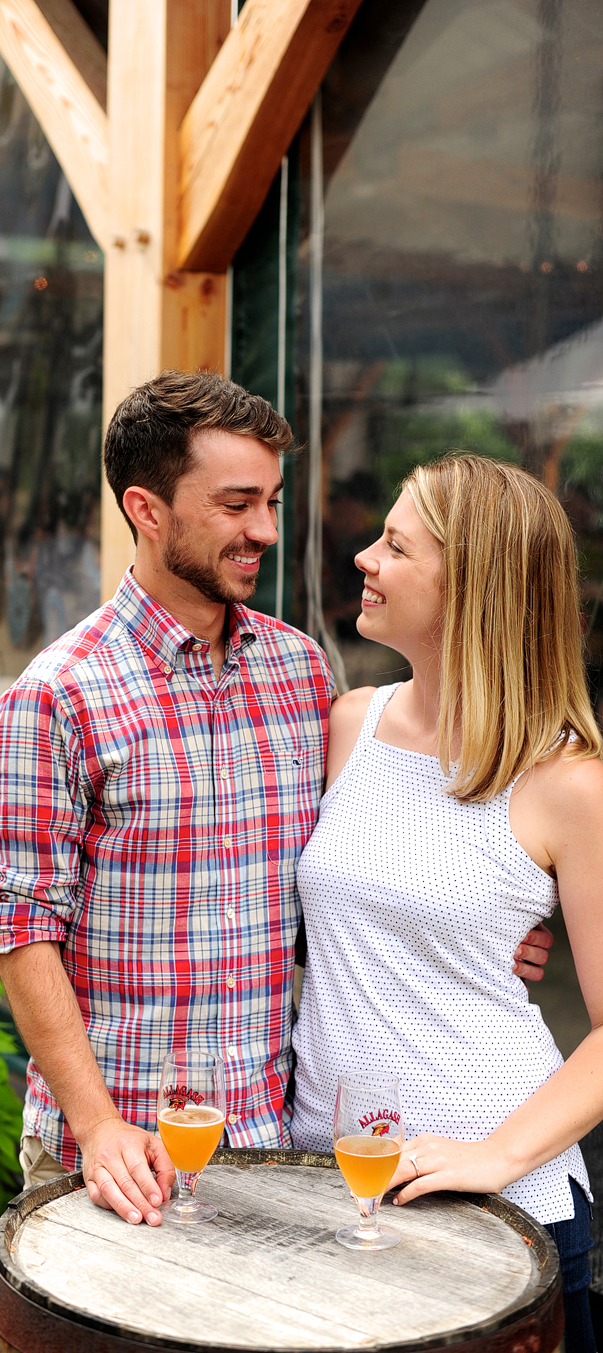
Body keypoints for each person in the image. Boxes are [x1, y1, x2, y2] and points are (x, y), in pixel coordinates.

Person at [0, 374, 552, 1228]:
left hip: (282, 1140)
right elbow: (21, 929)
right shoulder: (56, 696)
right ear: (148, 509)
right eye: (238, 503)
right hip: (127, 1150)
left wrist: (476, 928)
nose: (267, 532)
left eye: (273, 501)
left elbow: (336, 869)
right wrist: (96, 1125)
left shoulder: (300, 672)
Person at [290, 454, 602, 1352]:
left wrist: (496, 1155)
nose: (363, 557)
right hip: (322, 1178)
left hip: (500, 1214)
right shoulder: (349, 721)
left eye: (395, 545)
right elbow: (342, 917)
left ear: (473, 588)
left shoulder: (566, 782)